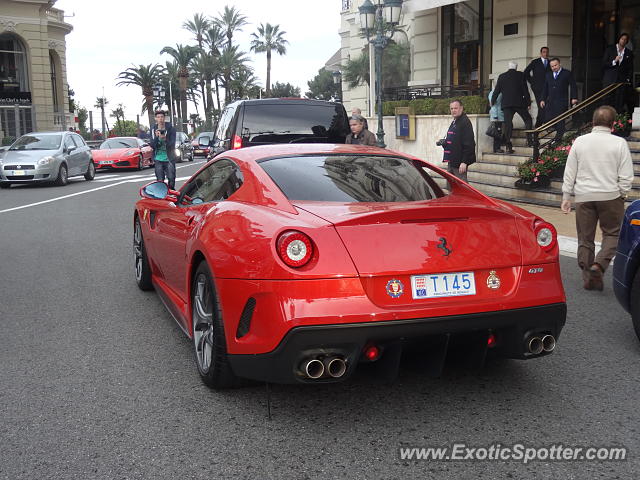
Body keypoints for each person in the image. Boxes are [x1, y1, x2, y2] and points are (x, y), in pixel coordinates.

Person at [560, 105, 634, 291]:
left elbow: (570, 171)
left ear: (592, 122)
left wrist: (566, 196)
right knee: (613, 234)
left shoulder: (580, 141)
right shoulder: (619, 143)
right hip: (610, 195)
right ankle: (599, 265)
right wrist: (623, 194)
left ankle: (588, 275)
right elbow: (626, 176)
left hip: (584, 195)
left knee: (585, 238)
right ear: (613, 123)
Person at [491, 61, 533, 153]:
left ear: (508, 67)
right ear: (516, 67)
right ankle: (530, 141)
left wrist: (492, 101)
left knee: (508, 124)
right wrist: (528, 102)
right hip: (519, 103)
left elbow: (497, 91)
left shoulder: (502, 76)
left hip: (506, 104)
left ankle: (508, 146)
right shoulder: (521, 75)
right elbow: (525, 90)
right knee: (528, 119)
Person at [540, 58, 578, 143]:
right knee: (549, 119)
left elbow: (573, 86)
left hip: (562, 101)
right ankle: (559, 135)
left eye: (555, 65)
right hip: (551, 102)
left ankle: (557, 140)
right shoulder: (548, 75)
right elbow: (545, 88)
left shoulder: (567, 73)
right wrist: (542, 99)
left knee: (560, 120)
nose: (554, 67)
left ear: (559, 64)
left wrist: (574, 97)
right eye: (552, 66)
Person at [438, 99, 476, 181]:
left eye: (455, 108)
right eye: (451, 109)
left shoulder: (465, 122)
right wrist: (445, 142)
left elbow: (469, 144)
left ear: (461, 108)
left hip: (459, 163)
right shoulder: (455, 121)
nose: (453, 111)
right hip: (452, 161)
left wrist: (464, 162)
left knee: (462, 188)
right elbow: (453, 139)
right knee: (451, 187)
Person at [602, 33, 635, 114]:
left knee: (619, 102)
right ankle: (605, 118)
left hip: (621, 82)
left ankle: (618, 122)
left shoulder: (629, 53)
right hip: (609, 81)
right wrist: (614, 61)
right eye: (622, 39)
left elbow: (630, 68)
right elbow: (603, 64)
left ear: (627, 42)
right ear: (619, 39)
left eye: (625, 40)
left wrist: (627, 79)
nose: (623, 41)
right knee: (607, 101)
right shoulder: (610, 49)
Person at [524, 46, 552, 127]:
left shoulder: (551, 63)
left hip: (548, 88)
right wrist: (532, 82)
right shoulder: (535, 62)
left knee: (546, 106)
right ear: (541, 53)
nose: (545, 53)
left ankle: (543, 124)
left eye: (547, 52)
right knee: (541, 106)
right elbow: (526, 72)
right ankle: (539, 125)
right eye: (544, 52)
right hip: (538, 88)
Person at [150, 110, 177, 189]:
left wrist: (165, 139)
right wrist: (156, 138)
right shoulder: (153, 130)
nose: (160, 119)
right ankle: (162, 197)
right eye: (158, 117)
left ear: (164, 118)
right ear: (155, 119)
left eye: (162, 117)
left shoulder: (171, 129)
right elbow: (152, 145)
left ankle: (171, 193)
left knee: (171, 179)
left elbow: (172, 144)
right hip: (158, 158)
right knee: (160, 180)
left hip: (169, 158)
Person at [488, 81, 505, 153]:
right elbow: (493, 105)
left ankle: (497, 148)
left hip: (498, 116)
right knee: (497, 133)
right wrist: (495, 116)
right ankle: (497, 148)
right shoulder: (494, 93)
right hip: (497, 116)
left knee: (498, 132)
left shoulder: (492, 92)